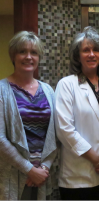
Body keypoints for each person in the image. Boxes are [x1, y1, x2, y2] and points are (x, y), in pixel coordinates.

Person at [54, 26, 99, 201]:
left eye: (96, 50)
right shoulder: (66, 85)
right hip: (77, 176)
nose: (92, 54)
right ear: (77, 56)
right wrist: (97, 160)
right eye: (86, 50)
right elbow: (64, 130)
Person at [0, 31, 57, 200]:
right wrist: (30, 170)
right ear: (13, 55)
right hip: (14, 175)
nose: (28, 57)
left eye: (34, 52)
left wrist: (44, 168)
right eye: (22, 51)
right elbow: (0, 138)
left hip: (43, 175)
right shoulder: (2, 90)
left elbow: (55, 134)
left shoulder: (48, 90)